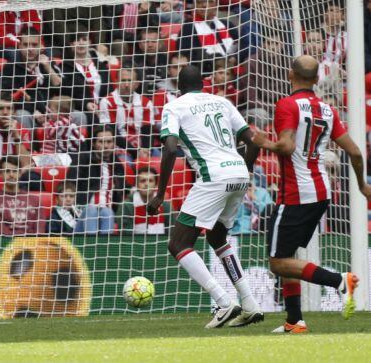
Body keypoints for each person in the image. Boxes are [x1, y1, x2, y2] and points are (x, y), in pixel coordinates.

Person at [251, 55, 371, 333]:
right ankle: (295, 321)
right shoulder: (327, 110)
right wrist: (363, 186)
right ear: (317, 80)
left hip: (296, 193)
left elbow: (286, 147)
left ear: (290, 75)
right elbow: (353, 151)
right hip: (322, 191)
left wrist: (263, 142)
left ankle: (339, 281)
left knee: (279, 262)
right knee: (288, 254)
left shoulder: (286, 105)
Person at [147, 65, 262, 328]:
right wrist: (244, 170)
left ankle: (223, 302)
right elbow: (253, 141)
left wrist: (160, 193)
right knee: (218, 236)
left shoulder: (174, 107)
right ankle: (250, 303)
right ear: (203, 83)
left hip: (212, 177)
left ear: (179, 85)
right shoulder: (222, 102)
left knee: (178, 244)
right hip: (238, 173)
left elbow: (170, 148)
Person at [0, 156, 44, 235]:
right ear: (0, 174)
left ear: (20, 173)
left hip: (31, 245)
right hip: (4, 245)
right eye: (7, 171)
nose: (11, 175)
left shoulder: (35, 200)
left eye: (15, 171)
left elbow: (40, 233)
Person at [119, 167, 172, 235]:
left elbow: (171, 232)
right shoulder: (126, 206)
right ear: (137, 185)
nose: (146, 184)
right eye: (143, 181)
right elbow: (126, 234)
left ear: (156, 185)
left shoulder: (166, 206)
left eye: (150, 180)